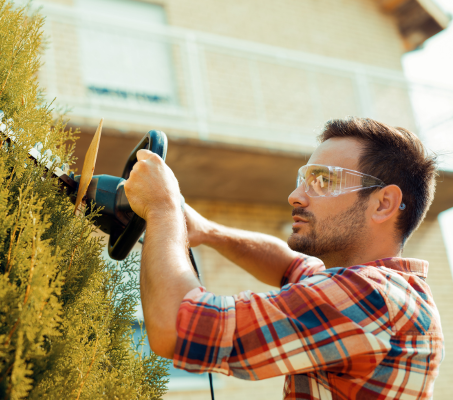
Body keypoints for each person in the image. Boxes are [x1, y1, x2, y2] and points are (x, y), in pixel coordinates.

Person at [124, 117, 444, 399]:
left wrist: (162, 209)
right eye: (303, 179)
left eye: (322, 180)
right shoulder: (384, 289)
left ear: (383, 203)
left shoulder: (372, 296)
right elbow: (288, 264)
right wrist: (205, 230)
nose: (296, 195)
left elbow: (179, 329)